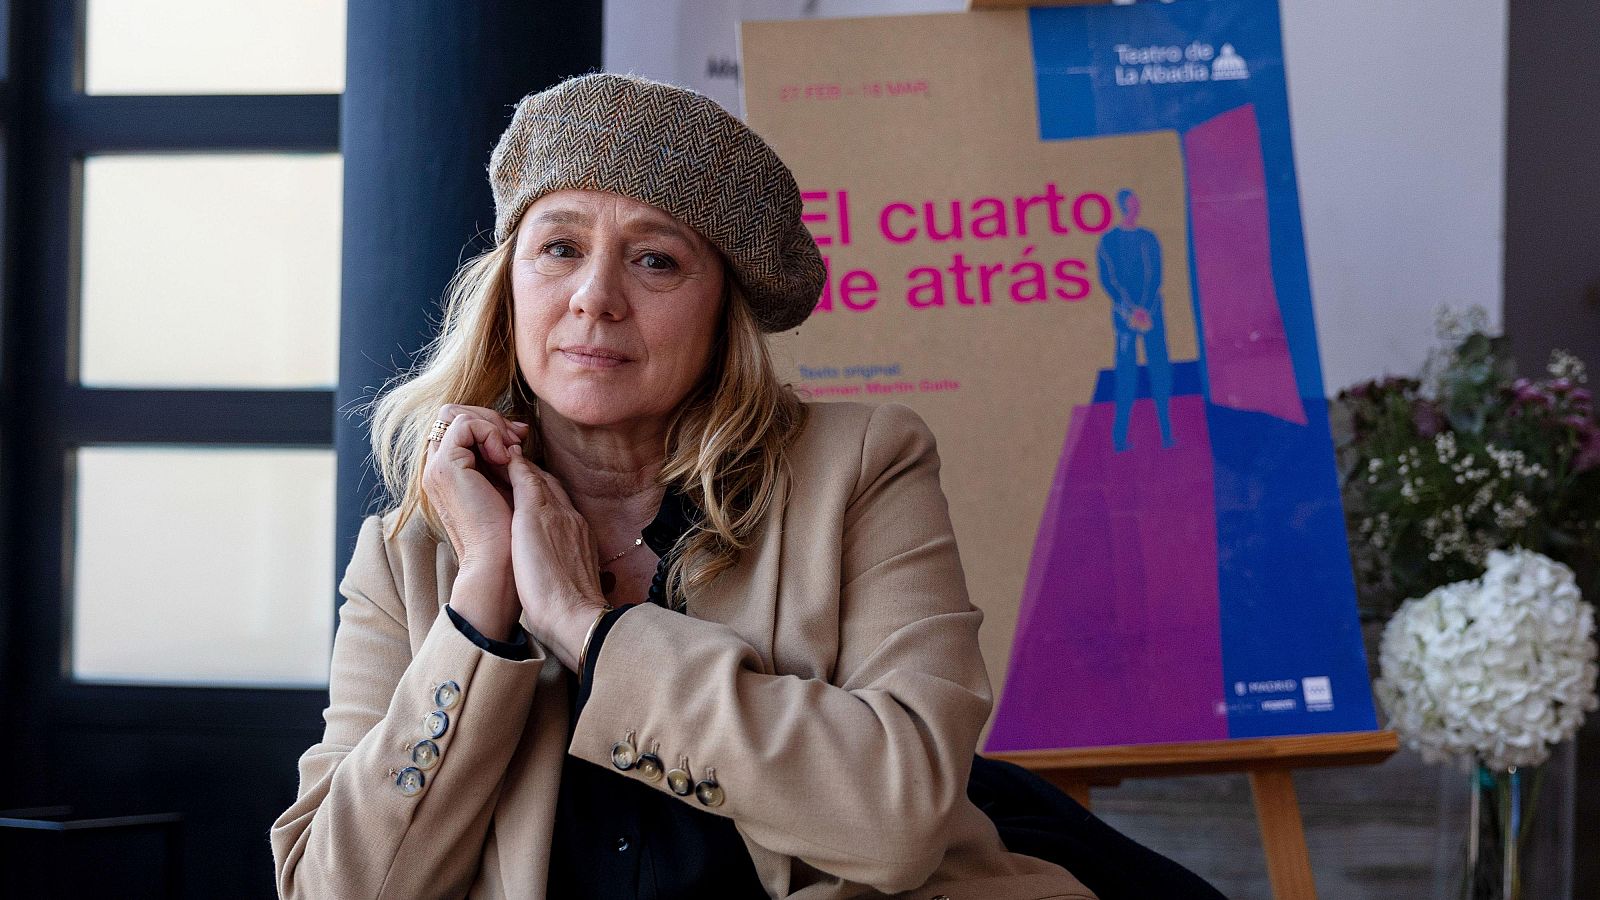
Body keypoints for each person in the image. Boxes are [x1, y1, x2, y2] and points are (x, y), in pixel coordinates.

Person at [269, 73, 1100, 899]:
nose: (595, 299)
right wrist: (484, 606)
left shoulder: (860, 467)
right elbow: (336, 890)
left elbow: (901, 816)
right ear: (508, 288)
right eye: (559, 248)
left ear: (722, 313)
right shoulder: (409, 551)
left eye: (656, 260)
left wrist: (588, 627)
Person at [1095, 189, 1174, 452]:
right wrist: (1130, 309)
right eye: (1131, 204)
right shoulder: (1108, 241)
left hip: (1152, 313)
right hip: (1124, 316)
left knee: (1159, 369)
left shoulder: (1148, 238)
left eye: (1137, 204)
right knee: (1126, 374)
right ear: (1122, 207)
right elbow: (1109, 279)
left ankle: (1166, 433)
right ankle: (1120, 438)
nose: (1135, 208)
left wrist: (1146, 308)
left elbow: (1156, 275)